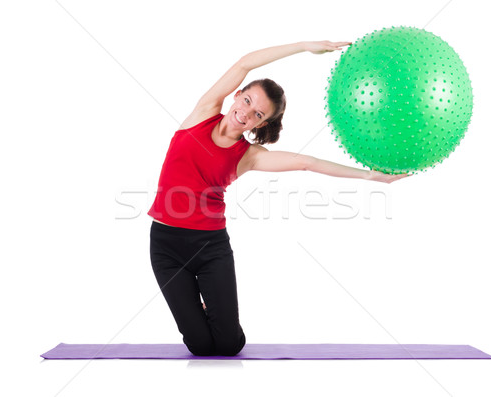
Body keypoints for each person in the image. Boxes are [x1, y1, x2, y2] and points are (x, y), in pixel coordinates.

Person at [148, 41, 410, 357]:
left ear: (261, 124)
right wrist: (305, 47)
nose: (245, 112)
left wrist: (372, 176)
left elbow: (307, 163)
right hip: (166, 246)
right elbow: (245, 63)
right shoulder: (202, 113)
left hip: (210, 247)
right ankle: (204, 309)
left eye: (257, 113)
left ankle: (213, 308)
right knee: (200, 346)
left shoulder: (250, 156)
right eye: (246, 100)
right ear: (236, 95)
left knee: (229, 345)